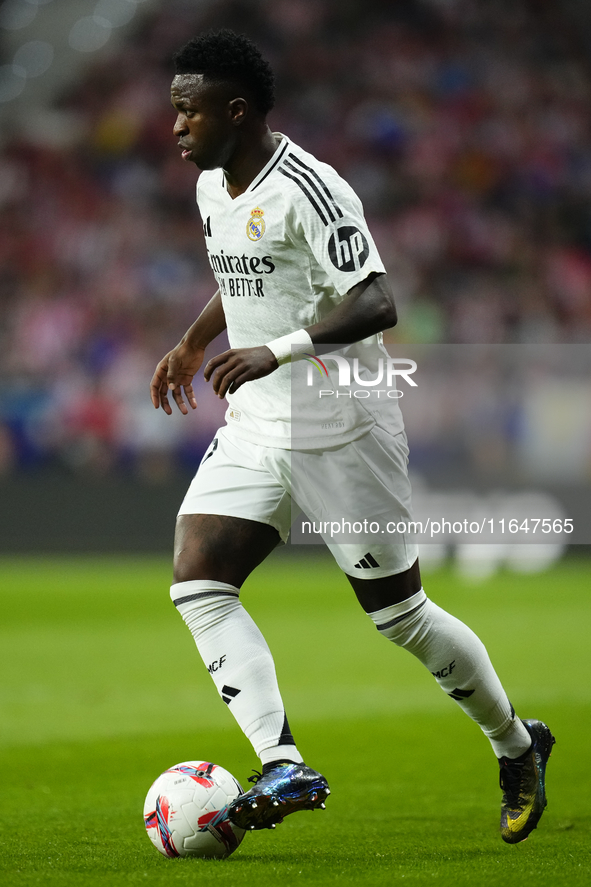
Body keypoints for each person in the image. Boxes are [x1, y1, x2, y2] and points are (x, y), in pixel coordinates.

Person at [150, 29, 554, 843]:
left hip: (340, 421)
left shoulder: (311, 187)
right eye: (173, 112)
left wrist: (278, 349)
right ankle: (281, 758)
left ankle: (517, 742)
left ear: (237, 111)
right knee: (198, 577)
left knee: (399, 616)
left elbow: (376, 302)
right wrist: (197, 339)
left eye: (188, 112)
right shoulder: (211, 189)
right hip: (259, 421)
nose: (176, 127)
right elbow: (244, 270)